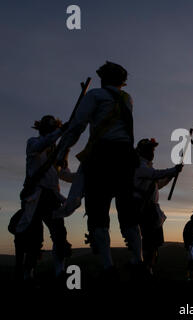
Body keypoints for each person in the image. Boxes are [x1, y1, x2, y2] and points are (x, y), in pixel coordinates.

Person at [56, 61, 144, 276]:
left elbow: (78, 125)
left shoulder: (95, 95)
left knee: (97, 211)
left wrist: (62, 152)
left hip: (102, 156)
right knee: (127, 210)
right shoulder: (127, 98)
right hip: (125, 157)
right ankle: (137, 260)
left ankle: (107, 265)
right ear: (122, 82)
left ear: (103, 78)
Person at [13, 115, 73, 284]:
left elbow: (64, 174)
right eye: (50, 129)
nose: (51, 132)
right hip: (34, 196)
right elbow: (43, 144)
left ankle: (59, 272)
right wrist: (62, 131)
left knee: (60, 235)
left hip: (51, 197)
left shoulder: (56, 152)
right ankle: (27, 275)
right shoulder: (33, 143)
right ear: (43, 130)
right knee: (34, 239)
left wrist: (82, 175)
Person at [134, 138, 182, 274]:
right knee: (149, 243)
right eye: (150, 149)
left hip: (151, 211)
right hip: (144, 210)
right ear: (142, 151)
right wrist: (173, 170)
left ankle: (149, 268)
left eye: (153, 149)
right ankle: (145, 269)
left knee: (153, 244)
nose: (152, 152)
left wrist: (171, 176)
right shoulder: (139, 166)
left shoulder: (147, 167)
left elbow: (158, 184)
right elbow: (155, 175)